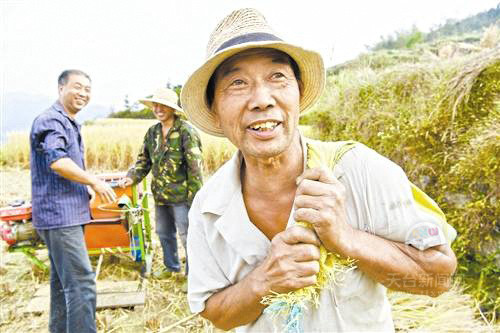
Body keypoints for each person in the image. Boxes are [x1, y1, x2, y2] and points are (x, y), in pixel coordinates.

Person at [181, 8, 458, 332]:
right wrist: (264, 280)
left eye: (277, 77)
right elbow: (217, 314)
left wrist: (346, 238)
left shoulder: (359, 170)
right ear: (215, 111)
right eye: (238, 83)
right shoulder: (208, 207)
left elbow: (437, 277)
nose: (261, 99)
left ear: (298, 92)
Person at [30, 69, 117, 333]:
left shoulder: (69, 123)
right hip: (60, 217)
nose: (83, 94)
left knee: (62, 286)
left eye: (87, 90)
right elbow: (57, 161)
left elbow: (65, 167)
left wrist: (86, 188)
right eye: (77, 87)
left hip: (67, 214)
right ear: (60, 88)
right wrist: (93, 181)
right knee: (82, 285)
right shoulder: (51, 121)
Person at [120, 87, 203, 284]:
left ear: (172, 109)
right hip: (160, 196)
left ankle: (194, 276)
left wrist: (195, 200)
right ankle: (171, 266)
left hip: (182, 197)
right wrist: (132, 177)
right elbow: (144, 161)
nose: (158, 109)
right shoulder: (153, 133)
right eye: (155, 105)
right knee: (164, 233)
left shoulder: (186, 132)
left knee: (188, 237)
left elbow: (195, 169)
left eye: (163, 105)